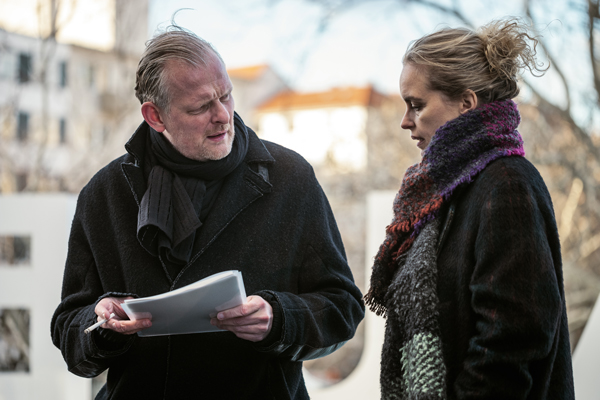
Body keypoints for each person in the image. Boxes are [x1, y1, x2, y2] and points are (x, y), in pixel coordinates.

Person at [51, 26, 364, 400]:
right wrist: (99, 323)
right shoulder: (104, 194)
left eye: (227, 96)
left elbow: (342, 307)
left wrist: (279, 319)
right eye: (200, 107)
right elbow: (70, 331)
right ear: (155, 116)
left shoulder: (290, 178)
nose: (222, 116)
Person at [365, 18, 574, 399]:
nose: (404, 121)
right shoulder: (444, 191)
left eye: (417, 105)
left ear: (466, 103)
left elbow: (514, 337)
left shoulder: (508, 182)